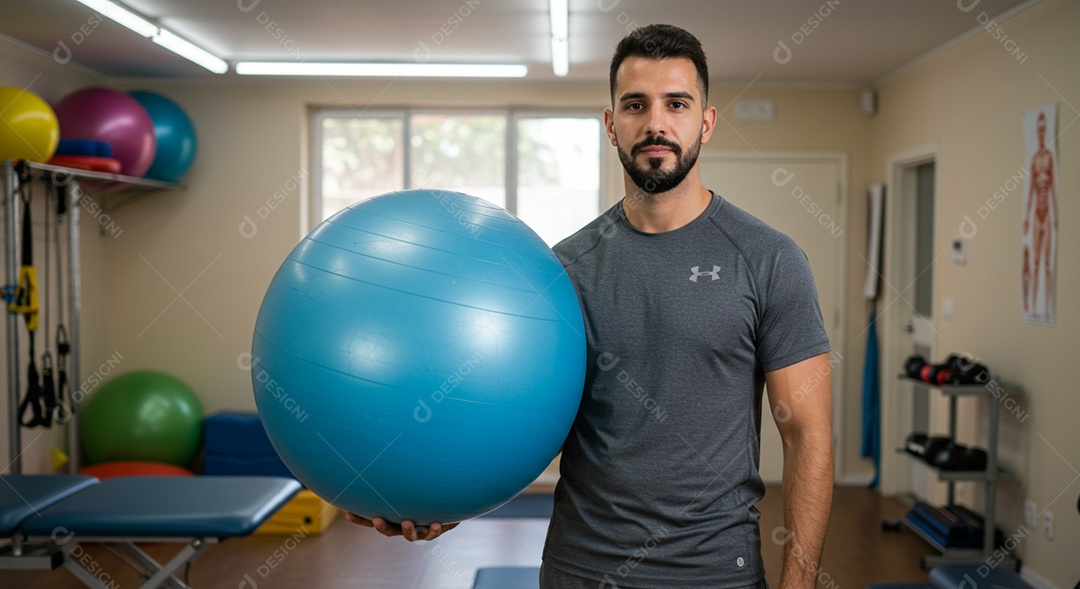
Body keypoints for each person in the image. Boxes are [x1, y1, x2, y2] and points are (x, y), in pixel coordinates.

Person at [350, 23, 834, 589]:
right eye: (635, 105)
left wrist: (799, 583)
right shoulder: (562, 270)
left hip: (713, 573)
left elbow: (808, 435)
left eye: (676, 103)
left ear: (706, 121)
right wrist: (436, 498)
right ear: (611, 124)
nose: (656, 123)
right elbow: (518, 415)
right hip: (582, 569)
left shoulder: (769, 259)